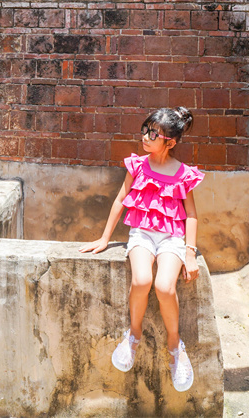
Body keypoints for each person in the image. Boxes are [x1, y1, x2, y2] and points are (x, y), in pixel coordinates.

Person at [79, 106, 204, 392]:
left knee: (164, 287)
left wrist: (190, 252)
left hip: (172, 238)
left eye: (153, 133)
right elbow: (121, 199)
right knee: (142, 280)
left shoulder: (184, 174)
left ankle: (175, 345)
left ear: (169, 142)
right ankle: (133, 335)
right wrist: (104, 238)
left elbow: (192, 215)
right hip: (141, 234)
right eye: (145, 130)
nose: (145, 137)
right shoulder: (138, 165)